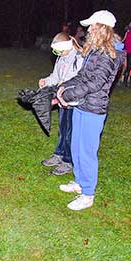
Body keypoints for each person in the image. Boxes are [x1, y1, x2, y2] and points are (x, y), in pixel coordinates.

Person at [57, 10, 124, 210]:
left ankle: (88, 194)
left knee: (86, 152)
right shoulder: (95, 51)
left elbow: (95, 84)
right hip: (82, 105)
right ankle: (79, 182)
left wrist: (69, 96)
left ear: (101, 28)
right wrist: (65, 85)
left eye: (91, 26)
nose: (88, 29)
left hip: (93, 110)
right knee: (76, 147)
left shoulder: (107, 54)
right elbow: (83, 76)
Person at [39, 32, 84, 176]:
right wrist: (46, 81)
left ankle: (68, 161)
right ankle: (59, 154)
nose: (57, 54)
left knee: (71, 132)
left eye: (58, 51)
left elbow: (79, 83)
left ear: (67, 46)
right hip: (62, 100)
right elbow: (56, 76)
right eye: (55, 51)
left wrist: (63, 97)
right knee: (63, 129)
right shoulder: (61, 57)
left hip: (74, 102)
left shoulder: (79, 58)